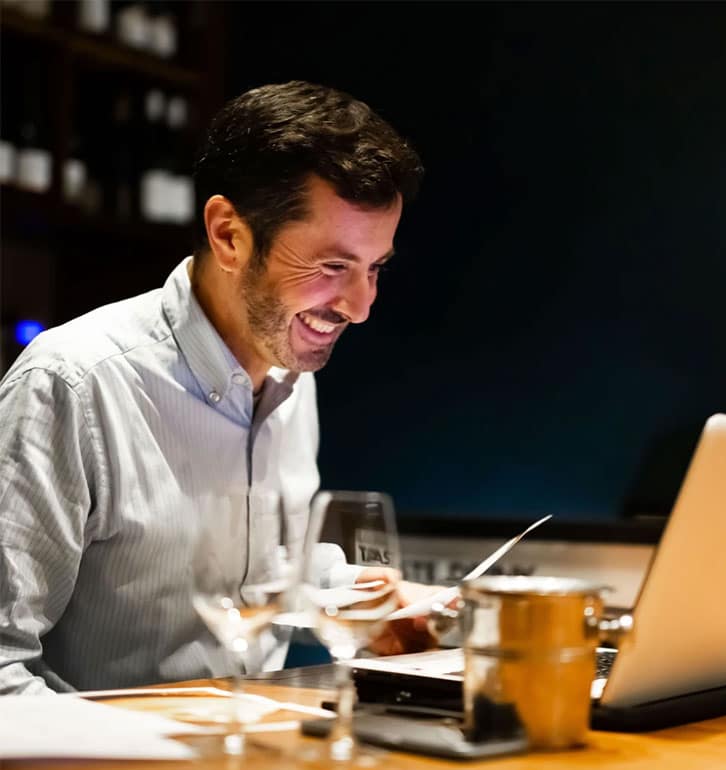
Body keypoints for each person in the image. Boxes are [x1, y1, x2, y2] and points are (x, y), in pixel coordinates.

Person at [0, 80, 432, 695]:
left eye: (375, 268)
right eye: (333, 266)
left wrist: (359, 605)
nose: (361, 307)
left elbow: (247, 573)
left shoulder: (290, 376)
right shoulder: (71, 385)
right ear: (229, 234)